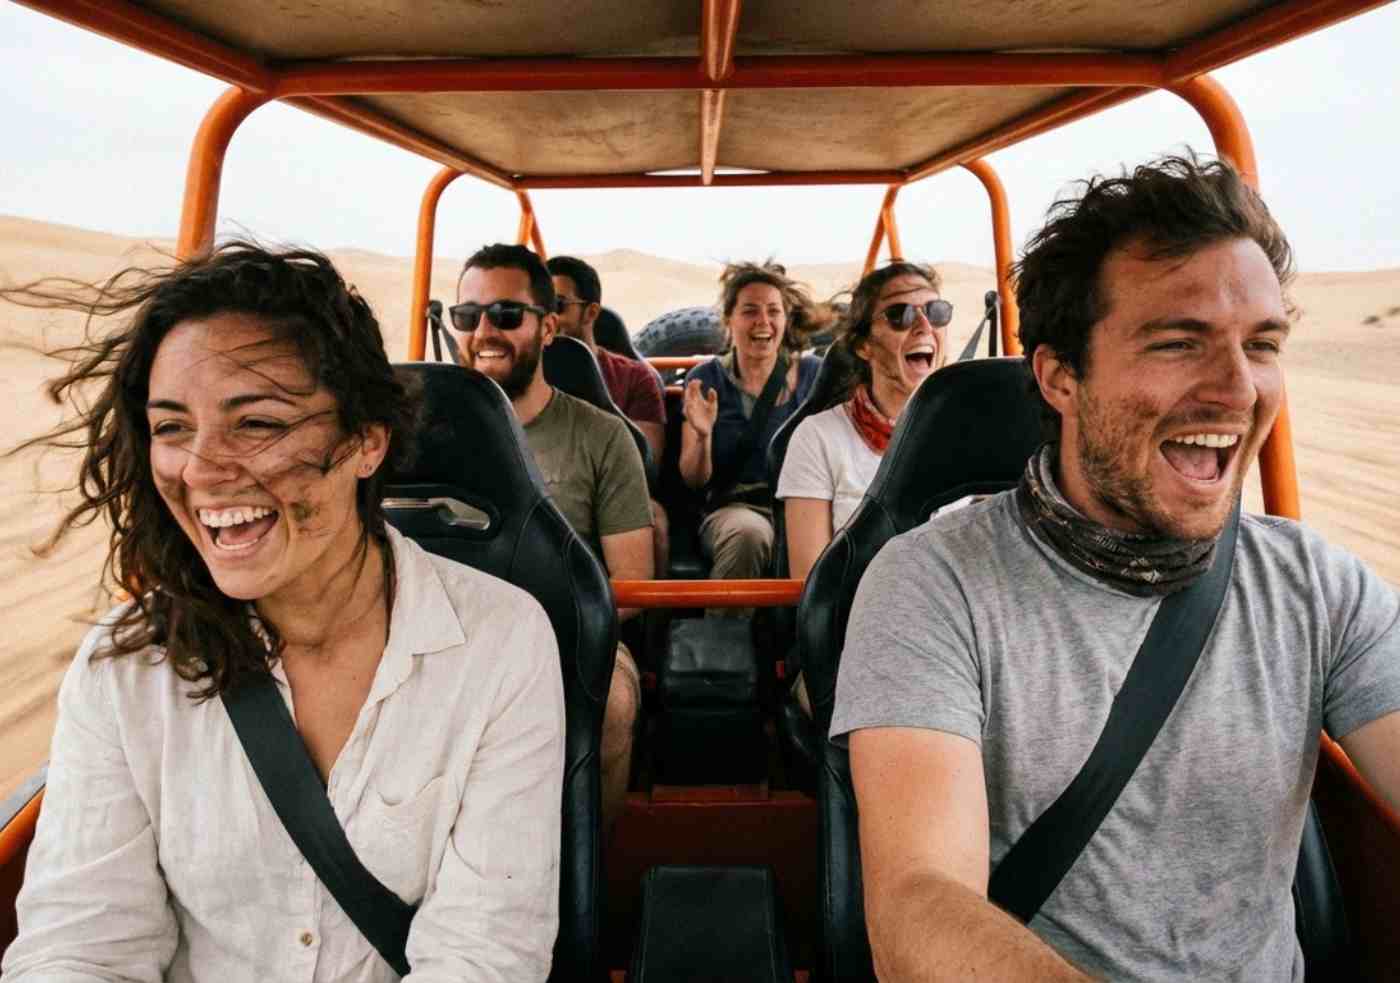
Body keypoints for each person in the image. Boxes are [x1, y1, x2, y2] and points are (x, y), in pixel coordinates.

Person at [831, 154, 1400, 981]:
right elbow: (919, 902)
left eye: (1263, 344)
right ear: (1061, 374)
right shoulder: (931, 585)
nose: (1239, 390)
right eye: (1180, 343)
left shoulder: (1319, 589)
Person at [1, 242, 565, 981]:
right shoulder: (127, 666)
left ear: (366, 441)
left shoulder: (500, 643)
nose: (199, 469)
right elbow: (79, 948)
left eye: (257, 424)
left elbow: (482, 955)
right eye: (172, 427)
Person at [451, 243, 652, 831]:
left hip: (571, 635)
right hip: (437, 635)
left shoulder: (602, 438)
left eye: (507, 315)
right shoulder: (419, 431)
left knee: (612, 707)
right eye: (468, 316)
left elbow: (633, 587)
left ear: (548, 327)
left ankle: (590, 875)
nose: (485, 330)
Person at [776, 260, 952, 582]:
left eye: (936, 311)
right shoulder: (818, 438)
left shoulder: (972, 433)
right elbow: (810, 585)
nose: (925, 325)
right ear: (864, 345)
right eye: (901, 315)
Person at [678, 261, 824, 605]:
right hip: (736, 507)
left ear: (786, 321)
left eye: (774, 311)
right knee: (749, 534)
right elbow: (694, 480)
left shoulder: (813, 375)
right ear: (730, 320)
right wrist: (702, 436)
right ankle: (724, 647)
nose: (763, 322)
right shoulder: (708, 377)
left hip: (804, 505)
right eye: (750, 311)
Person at [547, 253, 670, 578]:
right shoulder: (517, 378)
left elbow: (648, 461)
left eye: (558, 304)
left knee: (653, 521)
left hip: (616, 491)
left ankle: (649, 626)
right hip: (540, 484)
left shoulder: (634, 377)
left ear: (591, 312)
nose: (548, 316)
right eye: (540, 304)